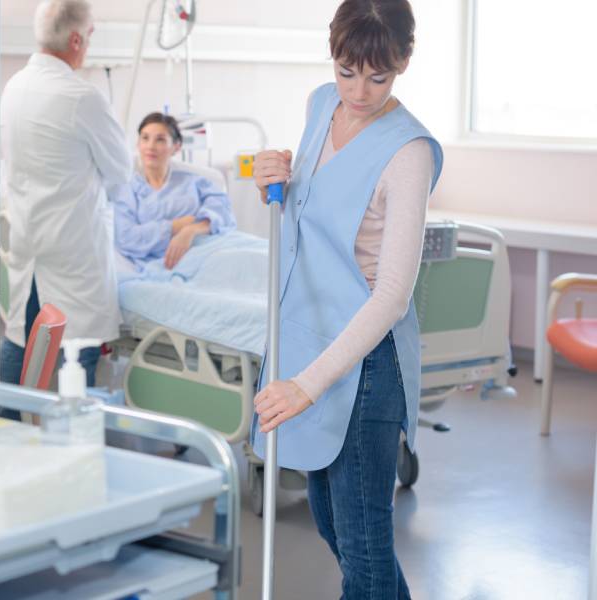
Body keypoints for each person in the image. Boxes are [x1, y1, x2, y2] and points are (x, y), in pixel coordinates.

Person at [251, 1, 443, 597]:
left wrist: (307, 384)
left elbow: (391, 296)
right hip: (307, 341)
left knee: (363, 548)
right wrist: (270, 181)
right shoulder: (319, 105)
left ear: (405, 61)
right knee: (336, 528)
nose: (359, 91)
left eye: (377, 76)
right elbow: (306, 213)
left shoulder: (407, 153)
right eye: (346, 70)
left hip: (364, 363)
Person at [0, 0, 131, 401]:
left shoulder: (13, 87)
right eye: (90, 34)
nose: (89, 42)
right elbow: (121, 174)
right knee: (80, 352)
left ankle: (2, 426)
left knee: (21, 339)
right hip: (73, 250)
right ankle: (77, 443)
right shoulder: (81, 96)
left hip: (29, 240)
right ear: (76, 39)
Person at [112, 112, 236, 269]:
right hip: (167, 266)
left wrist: (190, 230)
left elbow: (224, 212)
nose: (150, 146)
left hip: (211, 251)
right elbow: (126, 238)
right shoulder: (128, 191)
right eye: (145, 138)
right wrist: (174, 226)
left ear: (176, 147)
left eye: (160, 139)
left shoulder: (194, 182)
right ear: (138, 144)